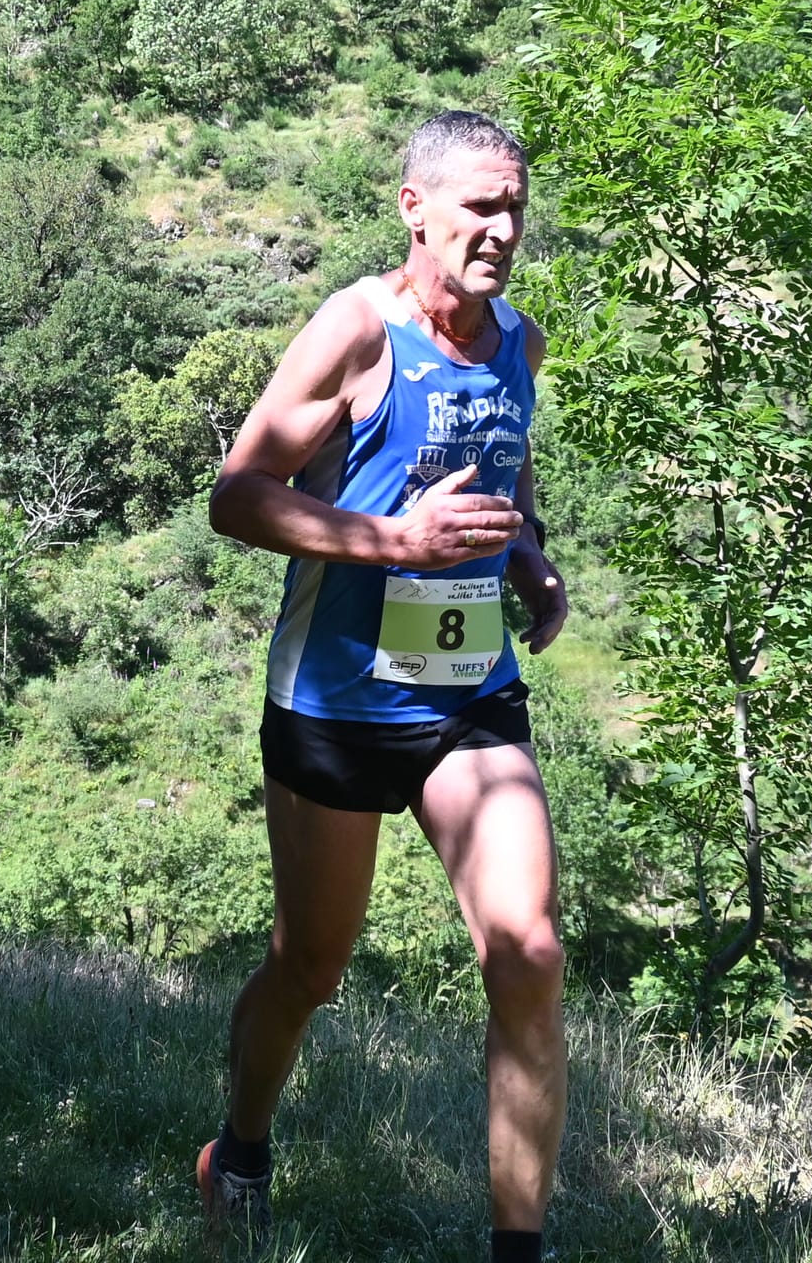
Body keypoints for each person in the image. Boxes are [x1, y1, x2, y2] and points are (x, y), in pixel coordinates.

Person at [197, 110, 570, 1262]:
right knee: (310, 963)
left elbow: (496, 473)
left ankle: (518, 1244)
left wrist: (524, 552)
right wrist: (389, 543)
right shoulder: (358, 331)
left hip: (467, 696)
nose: (500, 228)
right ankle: (241, 1147)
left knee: (527, 947)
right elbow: (236, 494)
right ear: (412, 206)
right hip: (336, 697)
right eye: (477, 206)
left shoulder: (520, 340)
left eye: (514, 206)